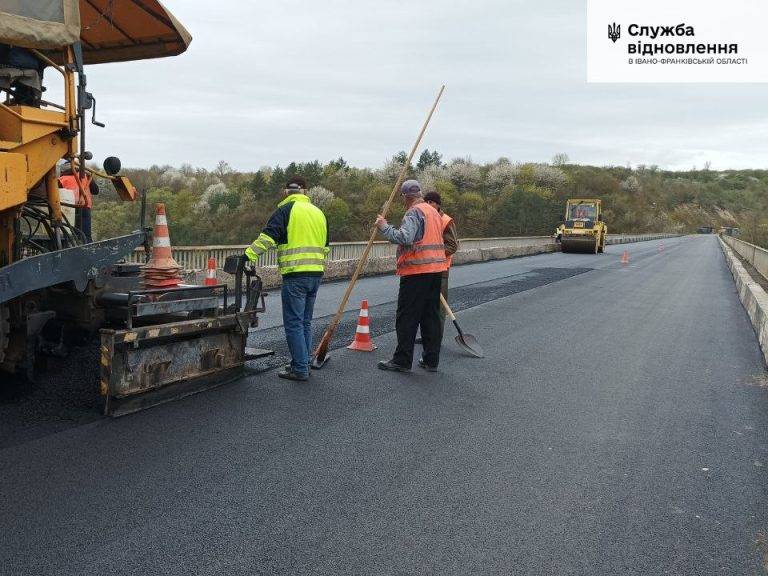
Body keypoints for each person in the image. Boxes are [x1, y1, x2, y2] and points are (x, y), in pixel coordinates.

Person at [244, 176, 329, 381]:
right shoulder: (319, 213)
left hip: (295, 275)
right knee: (305, 322)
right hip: (316, 274)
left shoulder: (285, 211)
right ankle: (303, 362)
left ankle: (300, 369)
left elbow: (268, 238)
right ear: (305, 192)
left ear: (286, 193)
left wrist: (248, 255)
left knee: (293, 323)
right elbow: (326, 246)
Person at [375, 179, 448, 373]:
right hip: (436, 270)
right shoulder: (433, 211)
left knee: (407, 316)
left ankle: (402, 360)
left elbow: (405, 237)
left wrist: (384, 227)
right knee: (430, 316)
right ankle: (431, 359)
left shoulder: (414, 212)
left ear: (406, 197)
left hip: (416, 271)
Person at [422, 191, 458, 342]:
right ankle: (426, 336)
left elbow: (453, 245)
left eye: (432, 202)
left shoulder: (446, 220)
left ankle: (436, 338)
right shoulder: (424, 218)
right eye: (427, 202)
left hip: (441, 269)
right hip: (424, 268)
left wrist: (435, 254)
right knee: (425, 305)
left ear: (438, 204)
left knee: (438, 307)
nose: (429, 205)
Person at [58, 161, 98, 243]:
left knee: (69, 234)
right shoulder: (86, 176)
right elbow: (95, 190)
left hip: (68, 210)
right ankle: (88, 251)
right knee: (86, 235)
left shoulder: (61, 180)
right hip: (84, 207)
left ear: (62, 170)